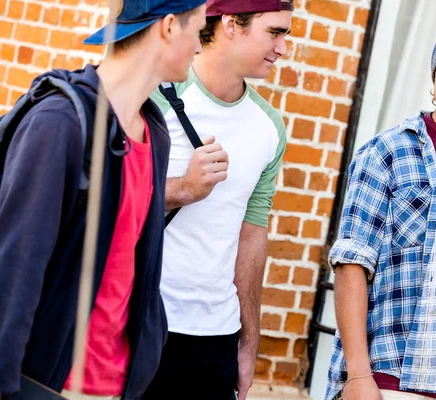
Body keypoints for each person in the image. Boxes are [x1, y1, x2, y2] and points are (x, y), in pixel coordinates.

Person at [0, 1, 207, 399]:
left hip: (119, 384)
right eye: (199, 31)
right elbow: (12, 274)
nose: (200, 47)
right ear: (168, 26)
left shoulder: (154, 131)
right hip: (49, 383)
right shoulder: (58, 123)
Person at [326, 21, 436, 400]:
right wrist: (359, 377)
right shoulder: (386, 152)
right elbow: (351, 265)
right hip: (389, 376)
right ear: (434, 75)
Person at [142, 1, 293, 399]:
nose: (283, 48)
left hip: (215, 337)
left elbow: (251, 235)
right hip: (142, 322)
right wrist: (184, 189)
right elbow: (109, 200)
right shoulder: (155, 98)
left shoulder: (269, 127)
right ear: (230, 24)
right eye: (274, 33)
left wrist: (248, 341)